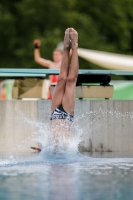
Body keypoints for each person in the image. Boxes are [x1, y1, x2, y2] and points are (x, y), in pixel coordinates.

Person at [31, 27, 79, 152]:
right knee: (71, 80)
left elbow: (48, 148)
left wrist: (42, 150)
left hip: (55, 113)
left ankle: (66, 46)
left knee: (62, 78)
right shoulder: (67, 149)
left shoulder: (52, 150)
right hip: (67, 114)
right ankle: (74, 46)